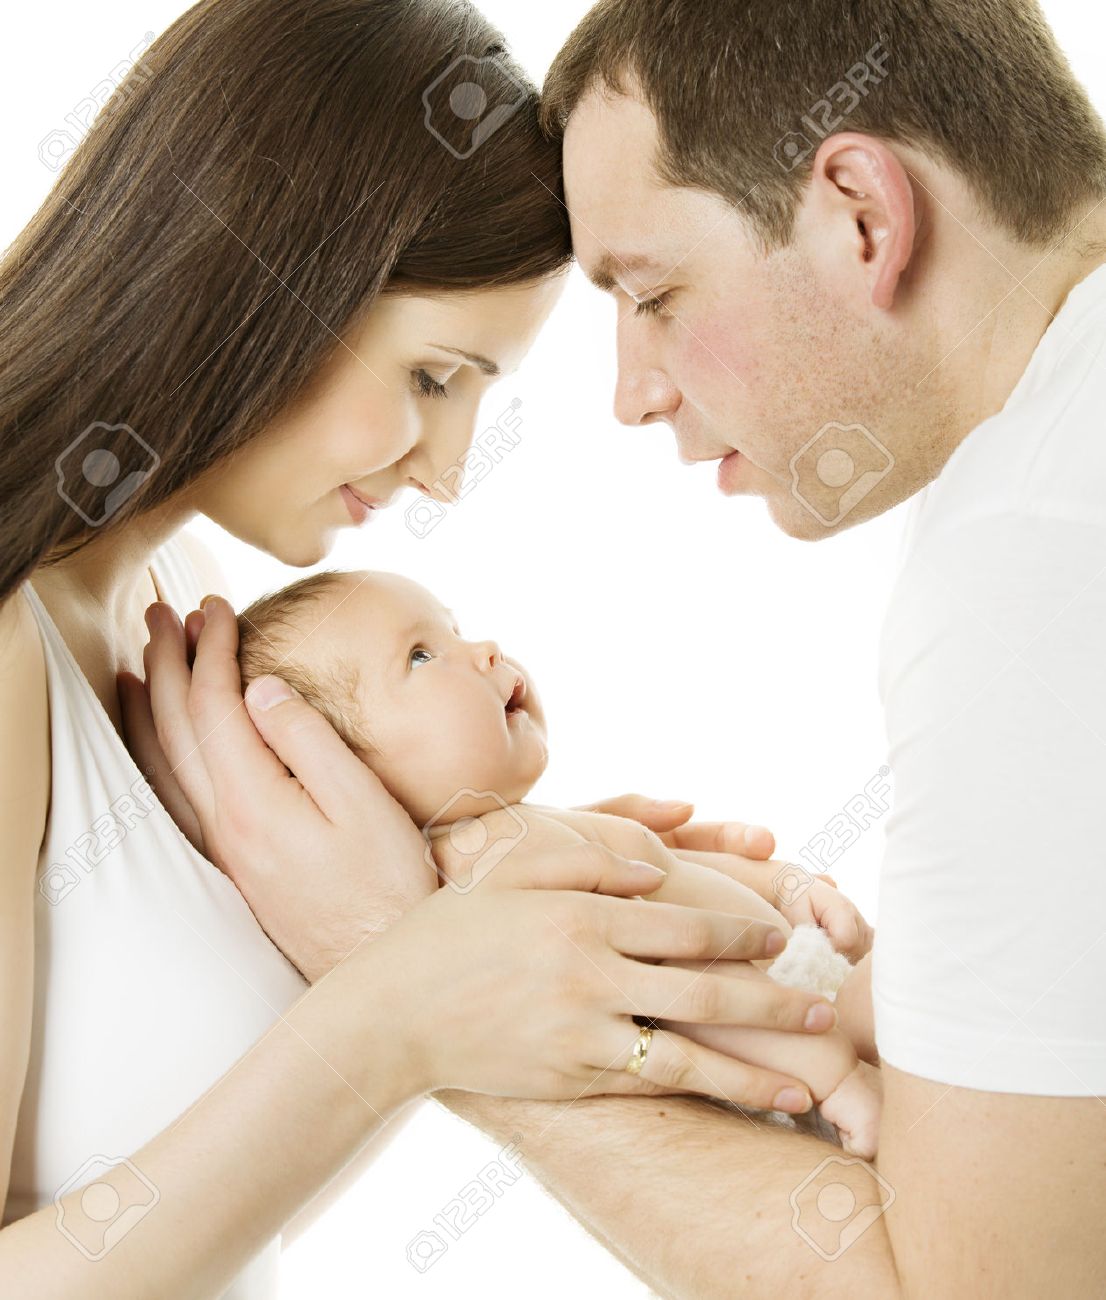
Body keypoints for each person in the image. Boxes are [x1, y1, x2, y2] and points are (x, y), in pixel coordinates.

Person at [140, 0, 1106, 1295]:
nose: (628, 392)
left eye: (651, 294)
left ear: (862, 218)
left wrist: (420, 987)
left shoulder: (1030, 555)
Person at [0, 2, 837, 1296]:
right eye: (437, 378)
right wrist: (402, 1002)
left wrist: (470, 912)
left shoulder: (187, 602)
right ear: (255, 277)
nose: (447, 472)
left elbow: (215, 1205)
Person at [233, 567, 882, 1153]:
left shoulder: (522, 834)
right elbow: (674, 985)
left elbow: (674, 877)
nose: (484, 649)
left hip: (809, 992)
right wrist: (833, 1072)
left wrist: (785, 885)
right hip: (803, 1030)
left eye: (452, 630)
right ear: (340, 772)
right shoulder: (479, 882)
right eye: (422, 655)